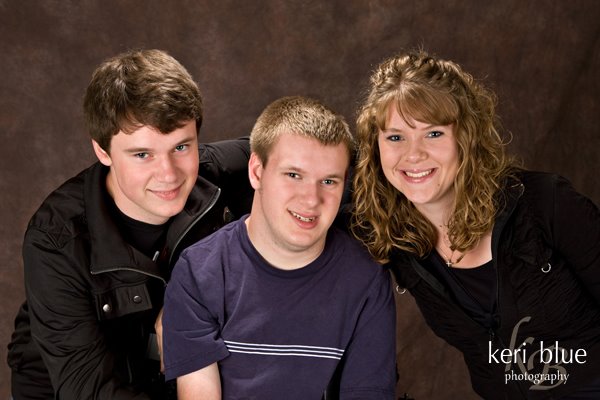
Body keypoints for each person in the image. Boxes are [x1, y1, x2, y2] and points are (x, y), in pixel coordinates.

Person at [350, 49, 600, 400]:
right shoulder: (393, 236)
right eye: (395, 137)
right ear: (375, 148)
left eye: (433, 134)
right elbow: (302, 171)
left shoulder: (546, 203)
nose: (413, 154)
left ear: (465, 137)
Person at [7, 49, 253, 399]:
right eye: (142, 154)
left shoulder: (221, 171)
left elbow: (319, 156)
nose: (168, 174)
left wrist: (185, 305)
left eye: (181, 147)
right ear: (103, 152)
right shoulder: (56, 238)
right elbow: (89, 390)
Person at [162, 96, 397, 399]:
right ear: (256, 172)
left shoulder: (365, 280)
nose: (311, 199)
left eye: (329, 181)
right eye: (294, 175)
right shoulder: (199, 272)